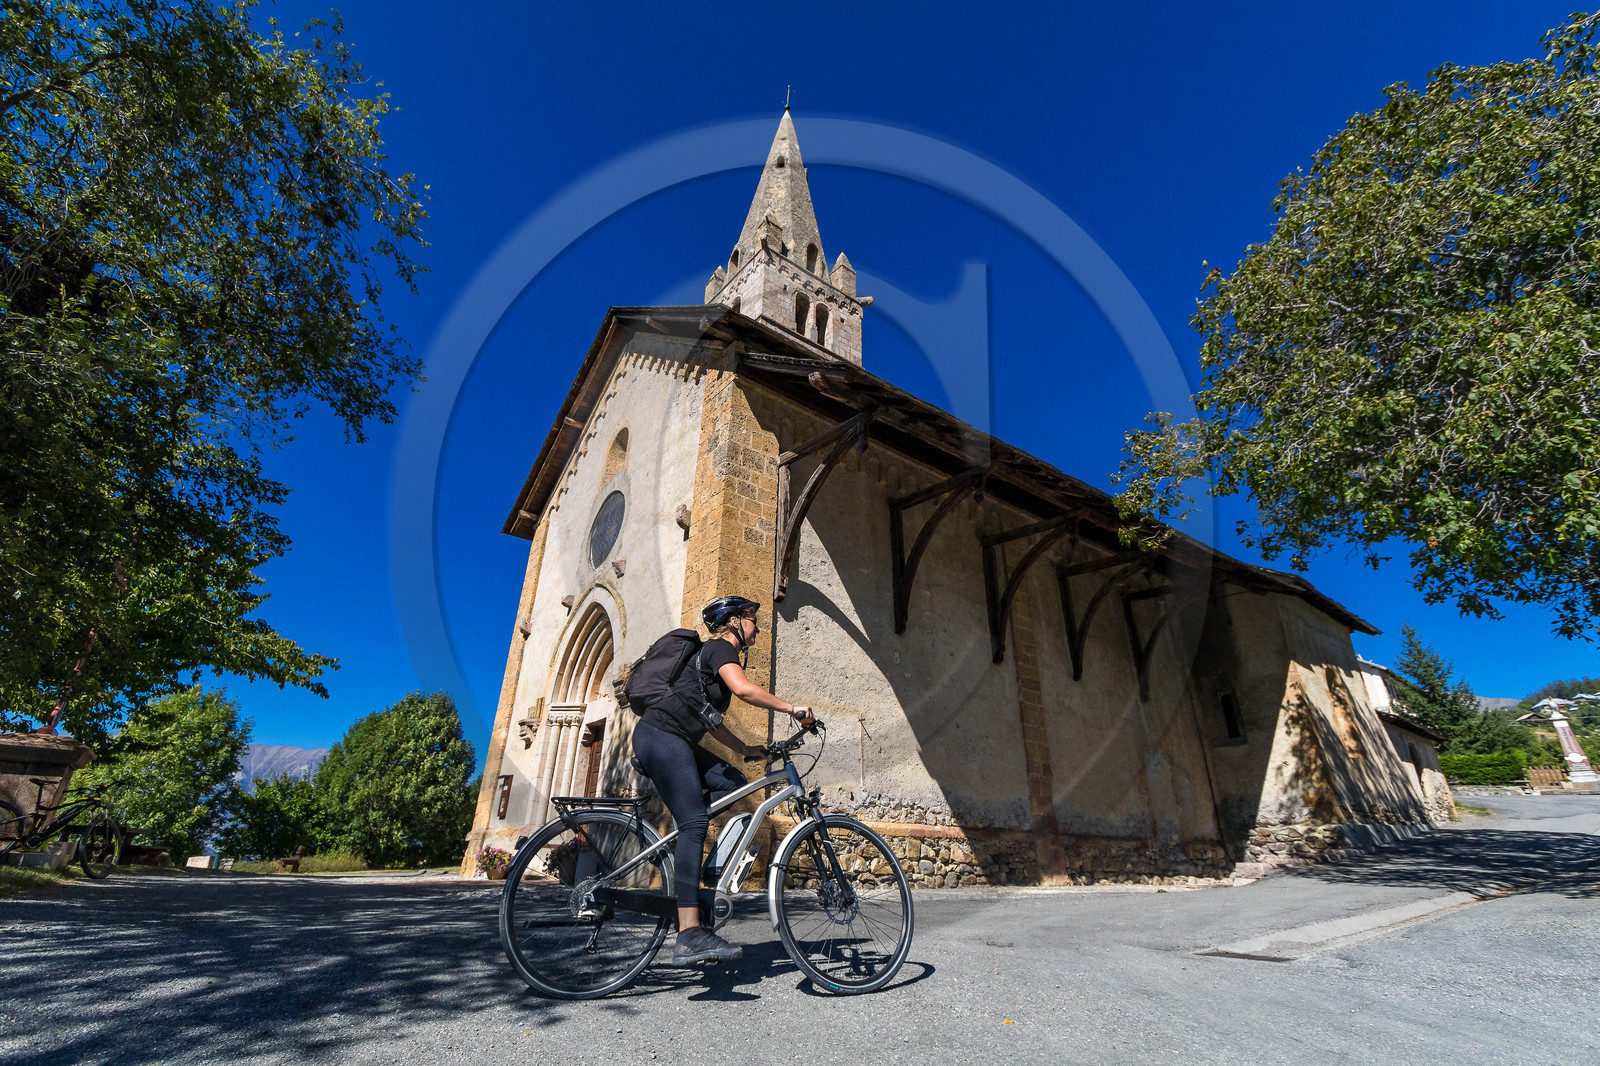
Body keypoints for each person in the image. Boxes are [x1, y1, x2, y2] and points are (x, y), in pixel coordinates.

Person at [630, 594, 816, 965]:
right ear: (734, 621)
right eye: (752, 619)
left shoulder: (710, 661)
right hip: (661, 737)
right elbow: (744, 690)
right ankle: (688, 935)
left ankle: (702, 880)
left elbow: (710, 723)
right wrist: (793, 708)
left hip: (675, 741)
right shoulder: (718, 649)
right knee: (694, 822)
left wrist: (745, 748)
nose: (758, 628)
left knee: (733, 780)